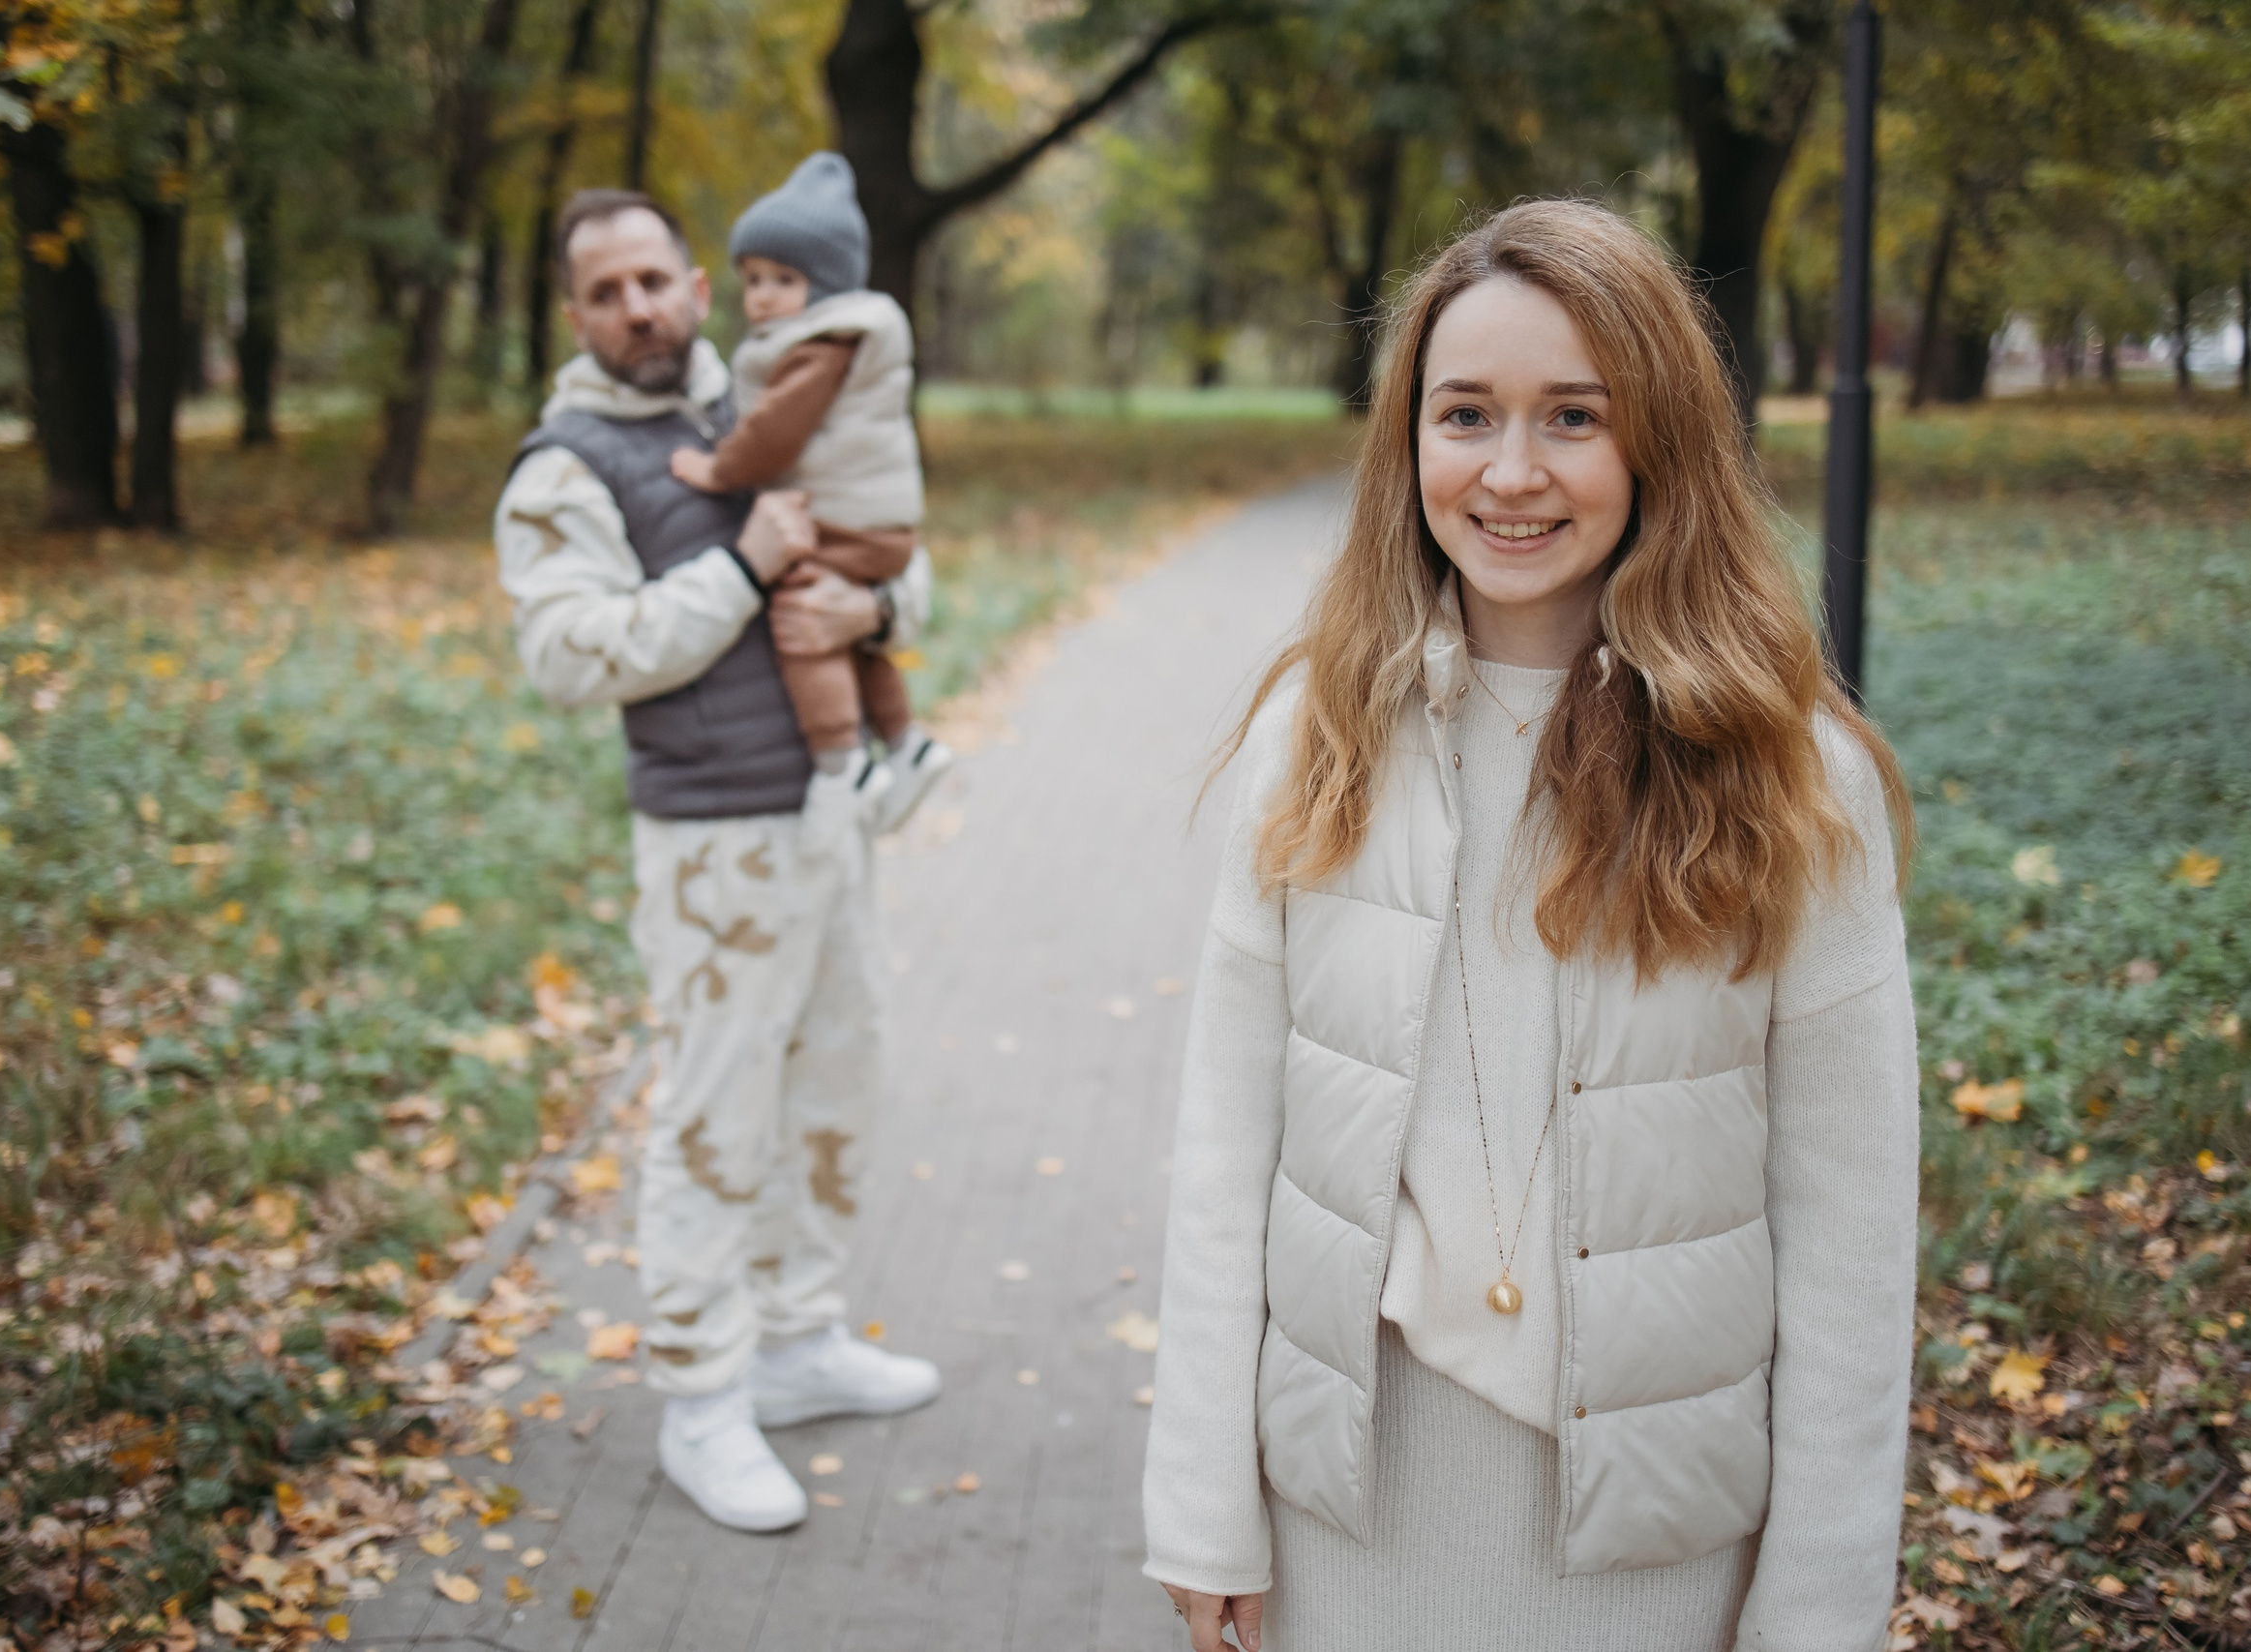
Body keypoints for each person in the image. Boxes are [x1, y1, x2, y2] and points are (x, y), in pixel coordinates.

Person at [1140, 198, 1921, 1651]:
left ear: (1660, 441)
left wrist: (1817, 1605)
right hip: (1351, 1518)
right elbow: (1225, 1146)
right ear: (1409, 441)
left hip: (1653, 1545)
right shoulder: (1319, 737)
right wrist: (1201, 1491)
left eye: (1574, 415)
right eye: (1466, 414)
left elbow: (1851, 1241)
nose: (1512, 471)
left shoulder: (1790, 774)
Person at [493, 187, 942, 1536]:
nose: (636, 307)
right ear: (577, 315)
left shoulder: (783, 384)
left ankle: (799, 1342)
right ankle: (701, 1396)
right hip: (707, 846)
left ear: (697, 283)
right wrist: (742, 570)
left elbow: (897, 558)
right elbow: (572, 654)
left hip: (824, 816)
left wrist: (877, 600)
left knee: (833, 1079)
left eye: (652, 280)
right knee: (712, 1114)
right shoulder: (566, 465)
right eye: (603, 291)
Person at [669, 153, 953, 844]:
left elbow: (773, 435)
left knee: (802, 615)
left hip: (846, 520)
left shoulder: (820, 344)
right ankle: (906, 742)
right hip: (877, 521)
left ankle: (841, 765)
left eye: (784, 280)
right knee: (850, 636)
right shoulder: (836, 336)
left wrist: (718, 470)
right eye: (754, 279)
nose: (763, 297)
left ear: (825, 285)